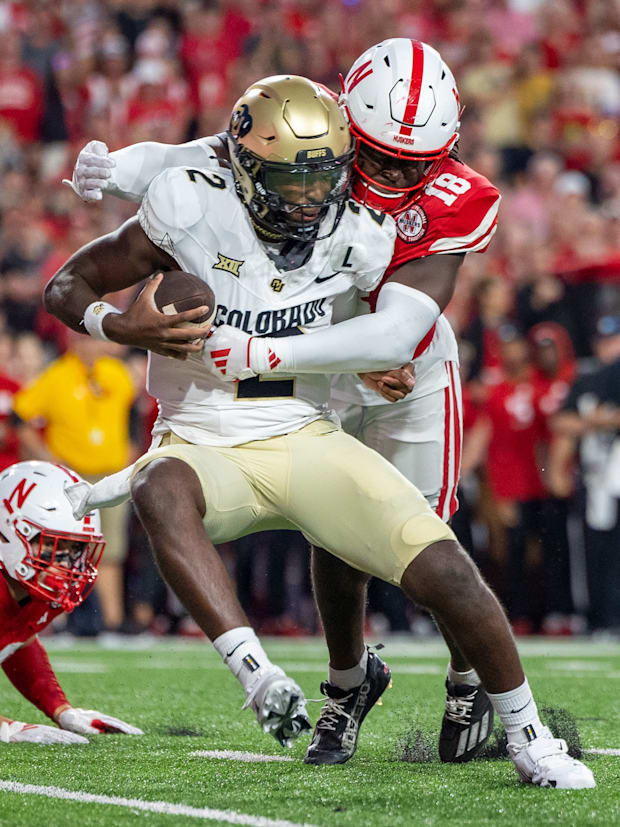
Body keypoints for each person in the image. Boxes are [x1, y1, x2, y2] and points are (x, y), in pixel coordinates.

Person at [49, 73, 595, 789]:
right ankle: (259, 673)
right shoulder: (191, 201)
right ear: (241, 168)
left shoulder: (360, 231)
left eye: (322, 176)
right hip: (206, 435)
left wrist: (372, 368)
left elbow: (367, 328)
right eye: (289, 179)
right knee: (160, 485)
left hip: (306, 429)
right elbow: (69, 284)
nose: (309, 196)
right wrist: (119, 323)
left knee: (443, 567)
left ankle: (530, 735)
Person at [0, 460, 142, 744]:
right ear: (8, 532)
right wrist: (7, 727)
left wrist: (61, 710)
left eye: (75, 548)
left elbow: (15, 640)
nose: (65, 564)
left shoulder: (30, 588)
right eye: (54, 545)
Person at [13, 331, 136, 633]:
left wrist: (132, 454)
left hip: (111, 477)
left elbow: (132, 414)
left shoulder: (116, 372)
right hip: (71, 480)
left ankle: (112, 624)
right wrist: (47, 457)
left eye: (96, 339)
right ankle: (56, 621)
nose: (92, 345)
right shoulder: (56, 376)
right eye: (85, 339)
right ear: (73, 342)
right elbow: (18, 417)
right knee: (60, 551)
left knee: (112, 551)